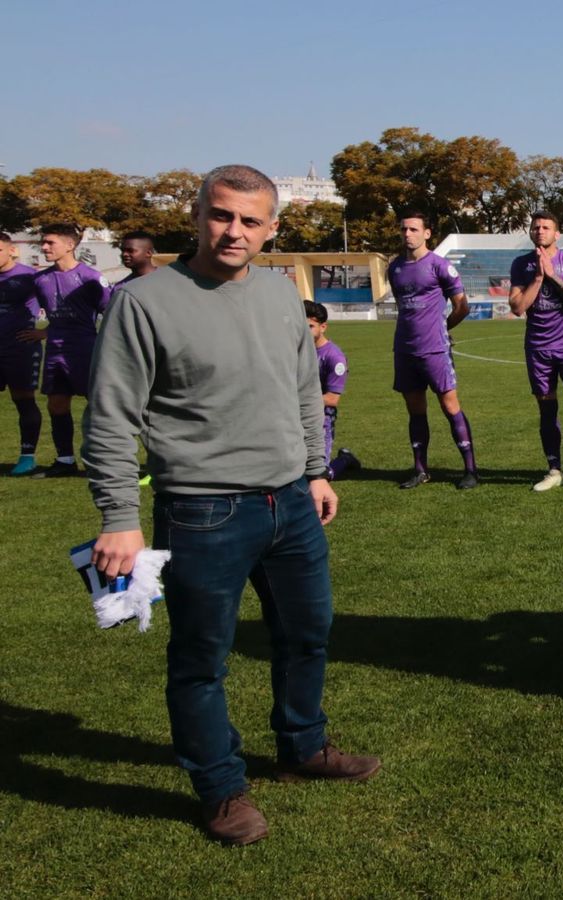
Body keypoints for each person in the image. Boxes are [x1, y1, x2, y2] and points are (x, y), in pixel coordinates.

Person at [82, 164, 380, 847]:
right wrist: (120, 517)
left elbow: (303, 389)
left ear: (272, 228)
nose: (234, 231)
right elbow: (110, 419)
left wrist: (315, 472)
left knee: (307, 635)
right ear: (196, 216)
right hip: (201, 511)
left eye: (251, 220)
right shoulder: (145, 301)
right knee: (201, 660)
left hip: (292, 505)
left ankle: (303, 747)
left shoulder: (281, 295)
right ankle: (220, 787)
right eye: (221, 215)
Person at [388, 211, 478, 490]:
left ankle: (471, 470)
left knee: (450, 406)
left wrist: (444, 327)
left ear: (427, 233)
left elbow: (463, 306)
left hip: (434, 350)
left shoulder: (440, 265)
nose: (407, 234)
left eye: (414, 229)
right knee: (415, 411)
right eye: (404, 229)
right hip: (404, 350)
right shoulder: (394, 268)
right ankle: (420, 469)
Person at [508, 210, 563, 491]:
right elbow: (518, 307)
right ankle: (554, 469)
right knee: (547, 410)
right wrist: (537, 277)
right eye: (536, 227)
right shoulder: (520, 264)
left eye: (546, 227)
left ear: (556, 234)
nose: (540, 231)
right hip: (538, 349)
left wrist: (553, 276)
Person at [31, 223, 111, 478]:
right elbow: (47, 315)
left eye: (50, 242)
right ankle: (65, 460)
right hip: (55, 351)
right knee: (56, 404)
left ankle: (104, 461)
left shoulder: (90, 277)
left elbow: (110, 312)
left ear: (70, 245)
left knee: (99, 406)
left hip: (85, 349)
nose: (44, 247)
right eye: (43, 242)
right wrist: (46, 332)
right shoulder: (41, 279)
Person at [0, 233, 43, 476]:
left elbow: (58, 303)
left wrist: (45, 331)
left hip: (19, 349)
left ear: (11, 250)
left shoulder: (30, 276)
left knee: (23, 400)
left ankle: (27, 456)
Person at [305, 300, 360, 480]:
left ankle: (345, 459)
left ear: (323, 327)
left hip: (322, 418)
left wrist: (297, 399)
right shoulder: (297, 350)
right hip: (294, 416)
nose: (305, 331)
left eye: (310, 326)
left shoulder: (334, 357)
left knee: (319, 475)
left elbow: (332, 399)